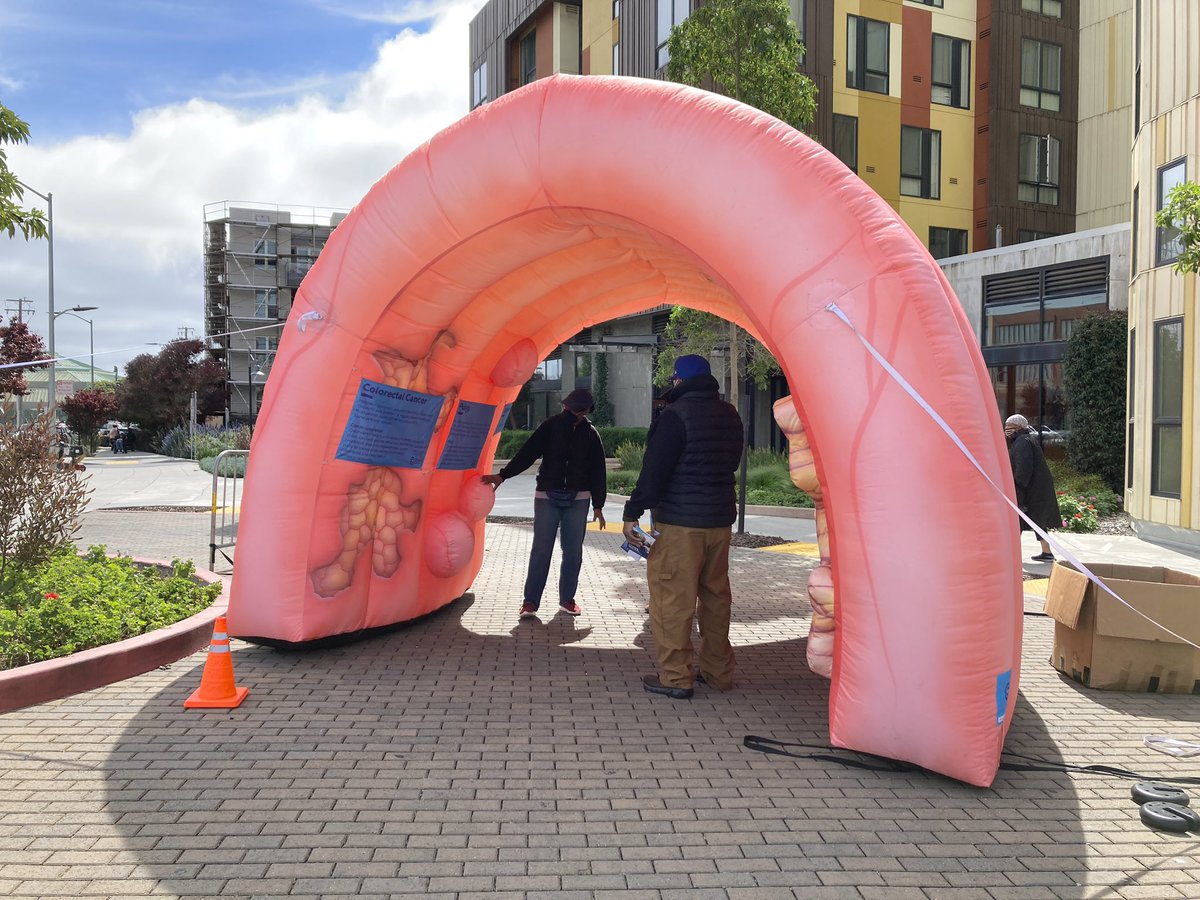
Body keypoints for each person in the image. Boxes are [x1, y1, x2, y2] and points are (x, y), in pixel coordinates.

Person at [622, 354, 744, 700]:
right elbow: (731, 461)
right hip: (719, 523)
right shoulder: (730, 414)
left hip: (679, 524)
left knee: (672, 600)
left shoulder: (675, 416)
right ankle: (718, 672)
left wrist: (633, 510)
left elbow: (655, 471)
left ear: (678, 381)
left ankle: (676, 677)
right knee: (716, 597)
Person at [482, 388, 607, 619]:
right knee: (541, 549)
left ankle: (567, 600)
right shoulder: (551, 426)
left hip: (578, 498)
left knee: (573, 552)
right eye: (567, 407)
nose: (568, 411)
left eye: (573, 409)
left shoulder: (590, 434)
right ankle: (530, 602)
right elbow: (527, 453)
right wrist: (503, 475)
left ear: (584, 411)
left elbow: (598, 470)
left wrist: (598, 505)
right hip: (547, 496)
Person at [1005, 414, 1059, 562]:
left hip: (1029, 490)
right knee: (1036, 521)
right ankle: (1046, 552)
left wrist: (1017, 485)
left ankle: (1011, 554)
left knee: (1019, 520)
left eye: (1010, 426)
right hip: (1035, 488)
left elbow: (1024, 468)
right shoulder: (1026, 439)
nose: (1007, 429)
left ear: (1019, 427)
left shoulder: (1022, 442)